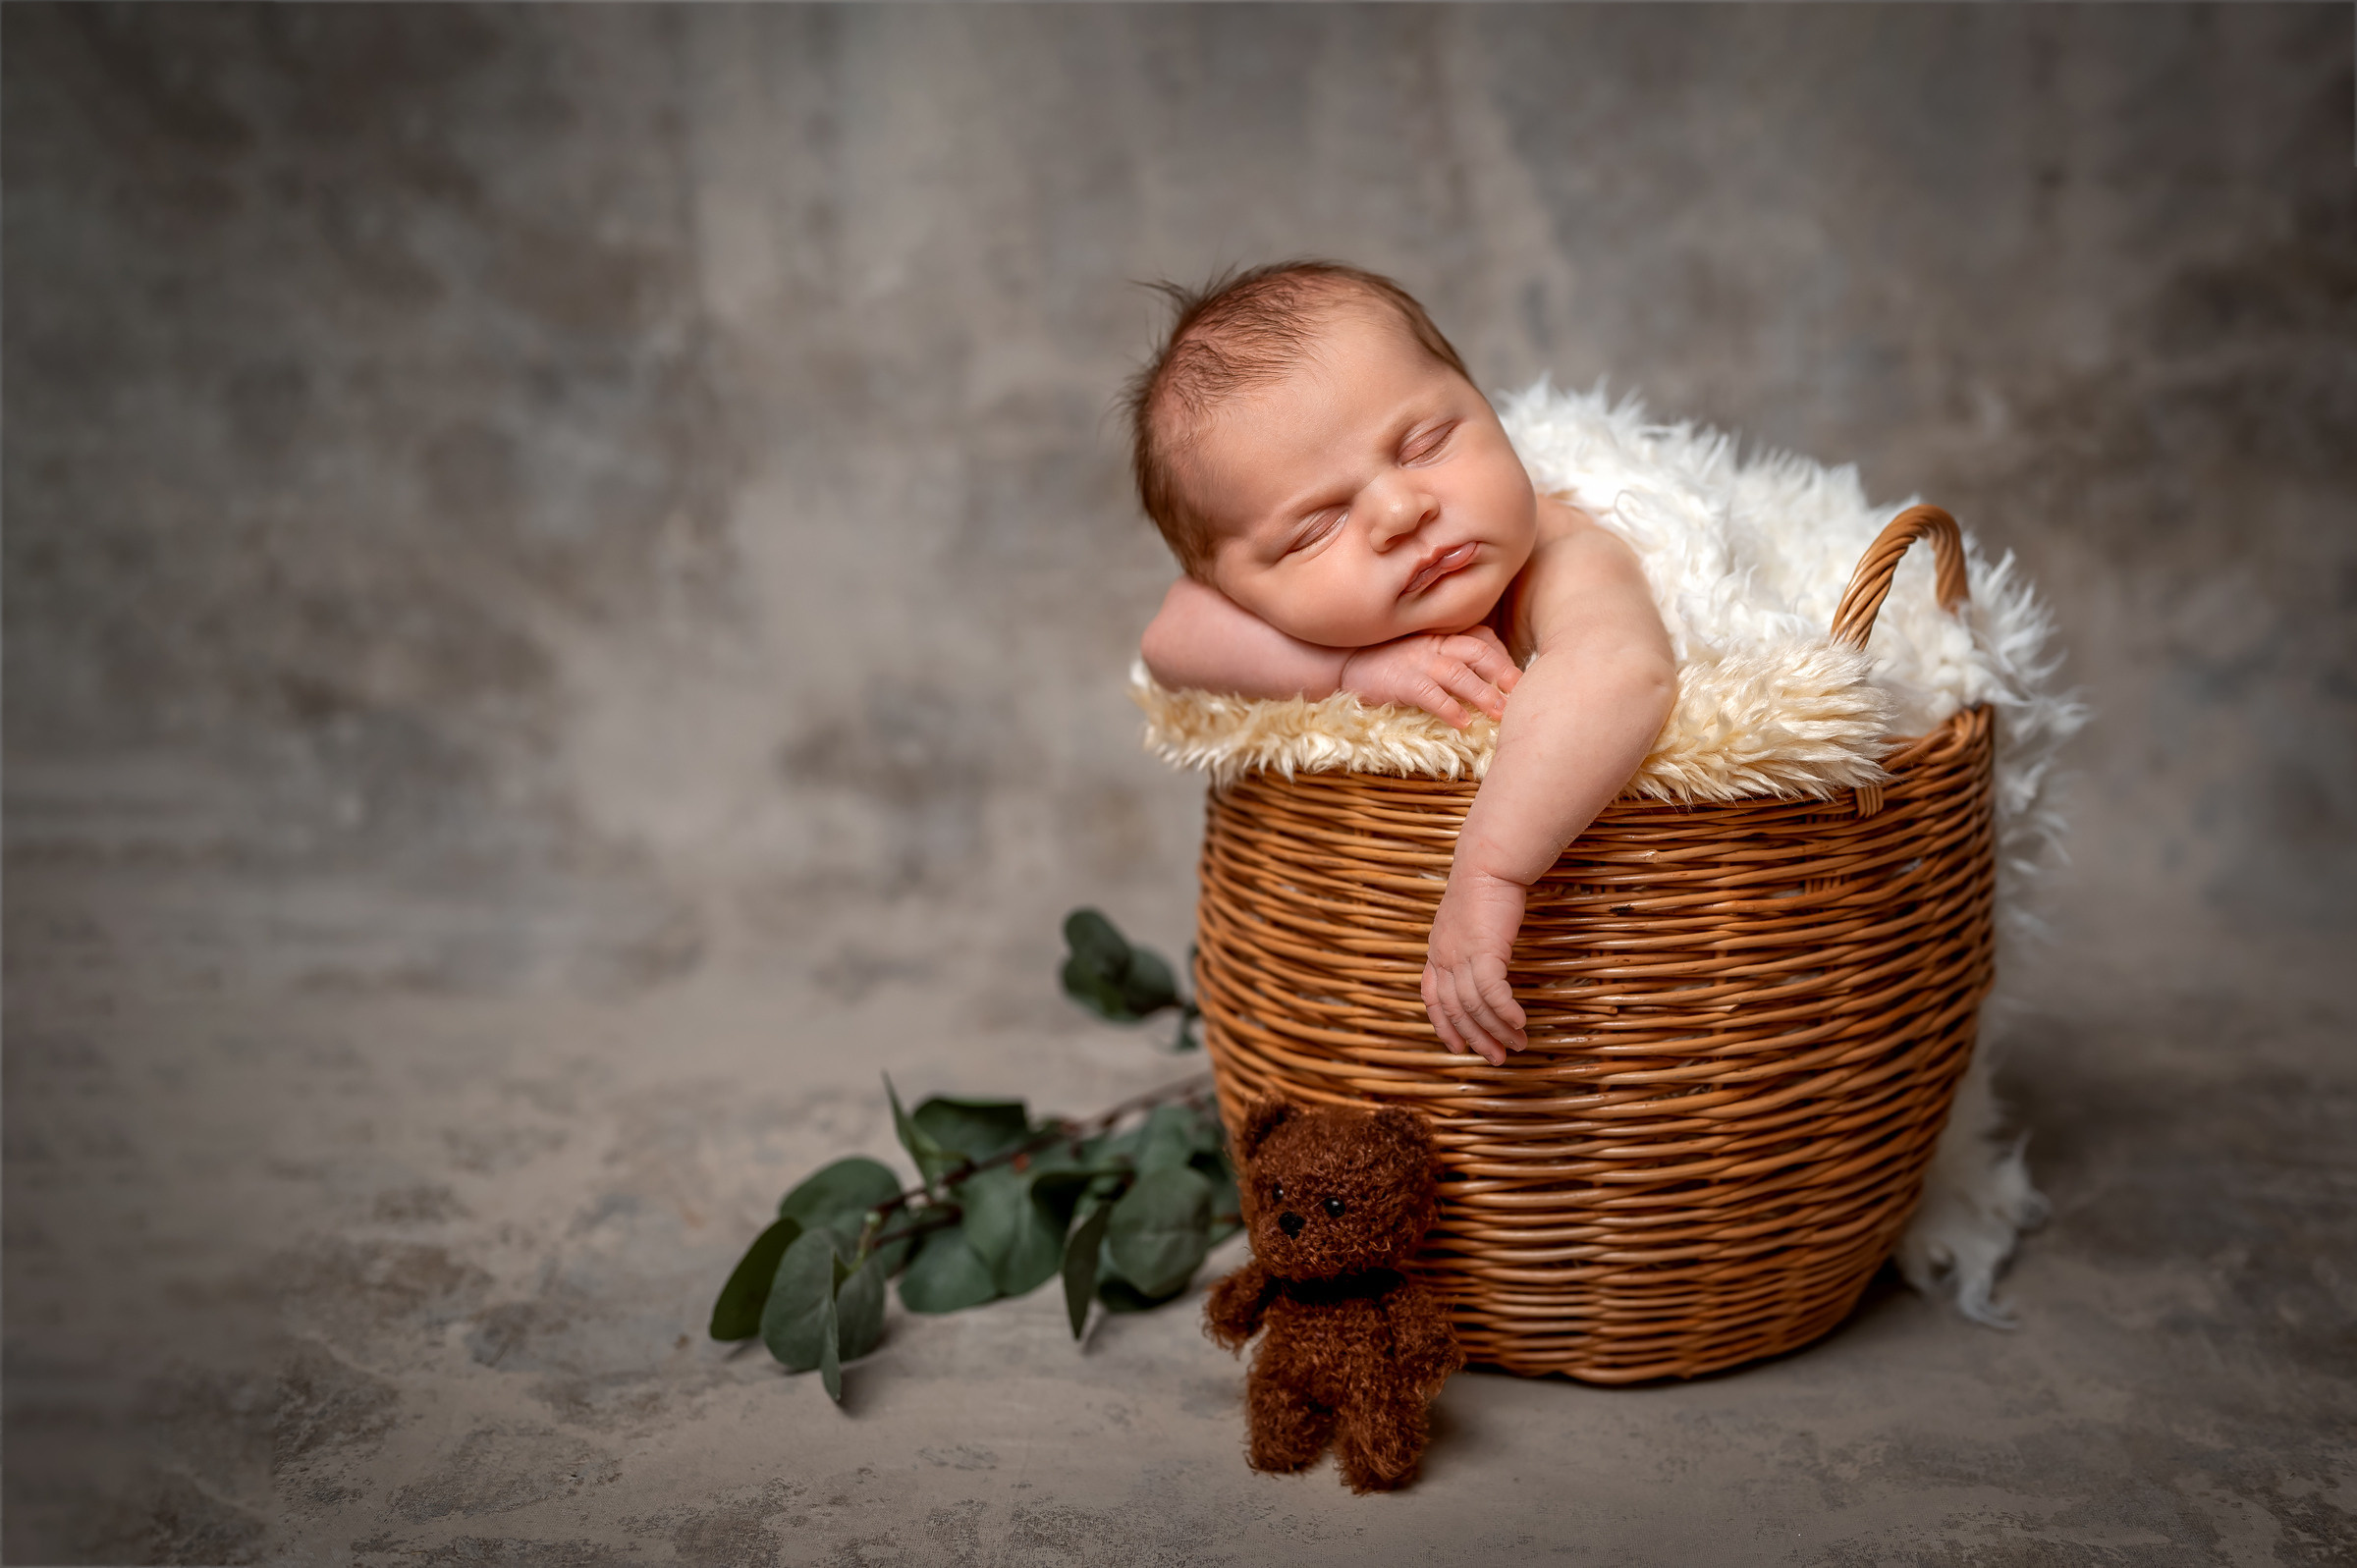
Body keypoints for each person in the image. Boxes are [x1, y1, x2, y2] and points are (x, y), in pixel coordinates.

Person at [1129, 262, 1674, 1066]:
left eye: (1425, 444)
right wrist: (1348, 671)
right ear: (1235, 585)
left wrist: (1491, 874)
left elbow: (1622, 672)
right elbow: (1169, 638)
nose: (1399, 510)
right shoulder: (1291, 610)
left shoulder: (1565, 553)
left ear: (1484, 404)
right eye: (1314, 528)